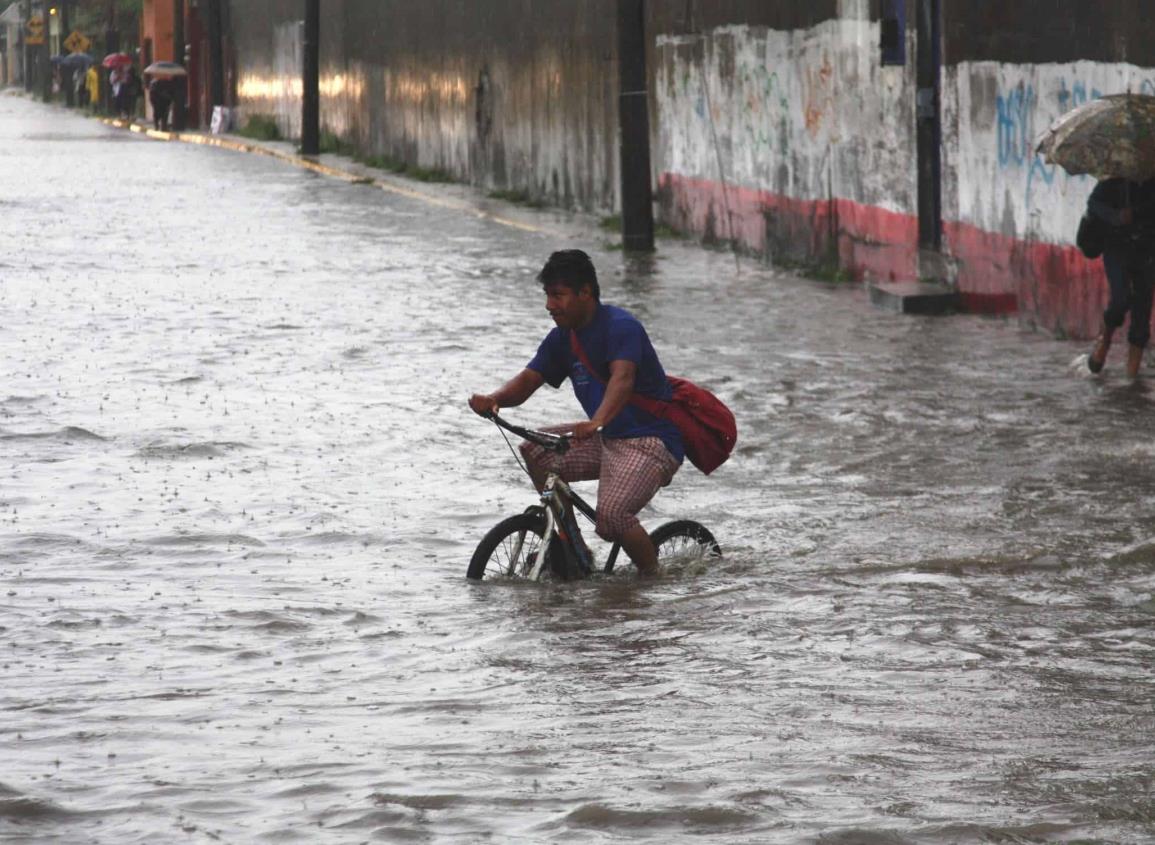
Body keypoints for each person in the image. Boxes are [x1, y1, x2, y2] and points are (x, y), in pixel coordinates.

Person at [468, 249, 683, 576]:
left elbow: (622, 380)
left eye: (558, 295)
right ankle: (576, 551)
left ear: (586, 292)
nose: (549, 305)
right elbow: (529, 380)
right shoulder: (561, 339)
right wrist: (494, 400)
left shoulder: (622, 327)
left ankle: (653, 577)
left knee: (610, 516)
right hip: (607, 436)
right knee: (536, 451)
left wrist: (597, 421)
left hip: (651, 441)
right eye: (547, 296)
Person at [1086, 177, 1155, 376]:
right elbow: (1094, 203)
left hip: (1147, 248)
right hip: (1117, 247)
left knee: (1142, 309)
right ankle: (1104, 340)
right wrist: (1116, 216)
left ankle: (1131, 378)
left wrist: (1137, 213)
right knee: (1121, 299)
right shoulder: (1115, 178)